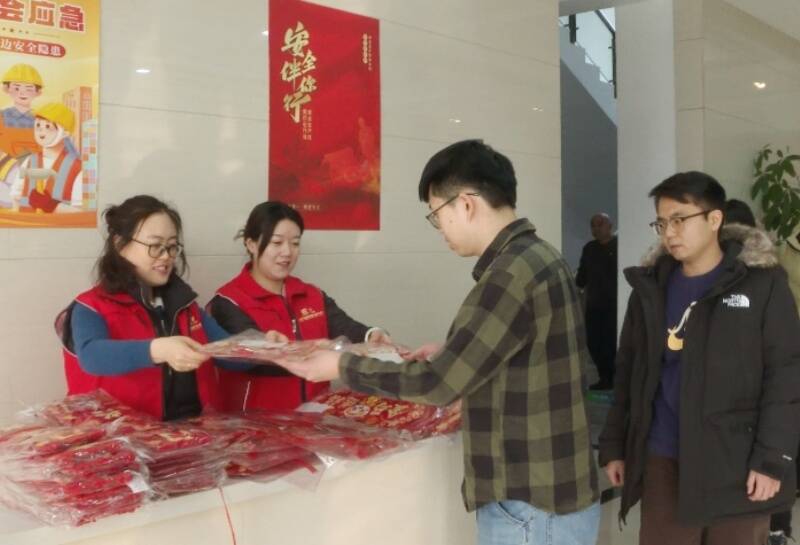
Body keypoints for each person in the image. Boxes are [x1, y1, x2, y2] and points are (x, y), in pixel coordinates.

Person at [268, 140, 601, 545]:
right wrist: (454, 349)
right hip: (557, 487)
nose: (440, 228)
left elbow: (438, 384)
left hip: (530, 502)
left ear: (466, 204)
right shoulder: (541, 256)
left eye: (436, 213)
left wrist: (340, 366)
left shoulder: (508, 275)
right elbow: (536, 351)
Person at [599, 172, 800, 545]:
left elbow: (786, 376)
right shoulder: (651, 287)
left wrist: (772, 458)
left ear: (714, 219)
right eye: (662, 223)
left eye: (680, 220)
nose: (669, 233)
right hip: (663, 457)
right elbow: (628, 371)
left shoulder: (762, 284)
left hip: (737, 460)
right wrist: (614, 445)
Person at [56, 195, 253, 421]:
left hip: (192, 433)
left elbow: (228, 353)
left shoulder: (185, 306)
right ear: (120, 244)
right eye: (155, 246)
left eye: (171, 246)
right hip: (122, 436)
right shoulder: (89, 307)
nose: (166, 256)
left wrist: (268, 348)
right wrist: (159, 349)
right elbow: (92, 356)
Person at [207, 201, 390, 411]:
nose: (287, 252)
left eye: (295, 243)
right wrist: (324, 353)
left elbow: (345, 327)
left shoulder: (311, 294)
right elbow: (252, 359)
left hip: (315, 416)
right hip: (256, 420)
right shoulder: (229, 300)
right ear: (251, 244)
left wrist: (371, 335)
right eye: (277, 242)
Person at [10, 103, 83, 213]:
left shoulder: (77, 167)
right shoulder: (29, 161)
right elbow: (16, 197)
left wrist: (52, 206)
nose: (41, 131)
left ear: (65, 133)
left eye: (48, 127)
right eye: (38, 125)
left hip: (57, 224)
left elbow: (80, 212)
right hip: (26, 222)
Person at [575, 212, 618, 390]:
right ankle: (603, 378)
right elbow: (581, 277)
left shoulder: (618, 247)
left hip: (614, 305)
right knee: (593, 342)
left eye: (600, 224)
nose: (596, 228)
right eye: (593, 225)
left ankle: (613, 379)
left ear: (610, 226)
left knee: (610, 343)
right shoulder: (589, 249)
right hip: (594, 305)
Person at [0, 63, 41, 157]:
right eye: (16, 88)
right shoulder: (1, 116)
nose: (22, 93)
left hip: (35, 164)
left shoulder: (41, 119)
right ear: (7, 89)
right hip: (6, 164)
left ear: (37, 92)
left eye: (29, 89)